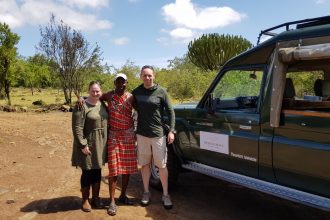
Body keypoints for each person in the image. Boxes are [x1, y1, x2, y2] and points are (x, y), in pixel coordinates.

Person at [132, 65, 175, 209]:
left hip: (158, 135)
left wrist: (171, 131)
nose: (147, 78)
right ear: (141, 76)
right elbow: (124, 101)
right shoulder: (136, 92)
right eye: (144, 75)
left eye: (150, 75)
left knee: (161, 165)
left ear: (154, 76)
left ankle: (165, 194)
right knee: (144, 164)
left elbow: (171, 111)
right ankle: (146, 192)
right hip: (142, 134)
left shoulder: (161, 91)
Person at [100, 73, 138, 216]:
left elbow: (141, 110)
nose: (120, 84)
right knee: (114, 169)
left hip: (128, 135)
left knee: (127, 168)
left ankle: (123, 196)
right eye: (118, 81)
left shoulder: (131, 97)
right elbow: (96, 97)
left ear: (127, 82)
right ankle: (112, 201)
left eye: (123, 81)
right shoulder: (109, 96)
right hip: (114, 135)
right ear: (115, 82)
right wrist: (81, 99)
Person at [71, 81, 108, 212]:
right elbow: (77, 127)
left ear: (101, 91)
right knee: (87, 171)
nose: (95, 93)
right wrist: (82, 144)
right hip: (88, 143)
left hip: (101, 144)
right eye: (93, 91)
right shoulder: (82, 105)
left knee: (97, 171)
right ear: (88, 91)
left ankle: (96, 198)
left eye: (98, 91)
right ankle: (85, 200)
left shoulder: (102, 103)